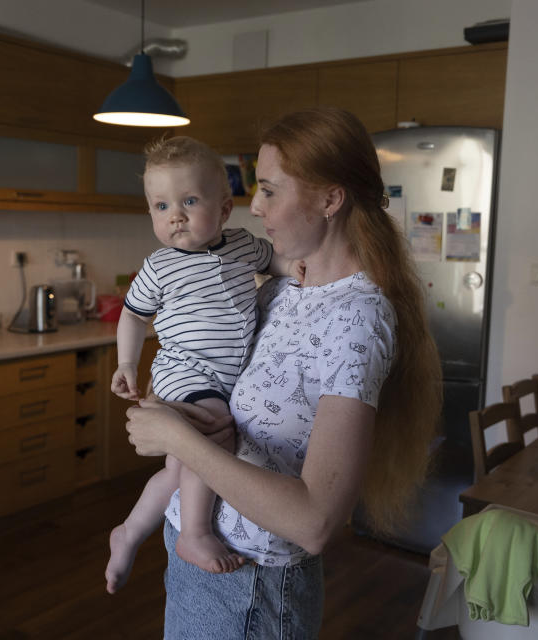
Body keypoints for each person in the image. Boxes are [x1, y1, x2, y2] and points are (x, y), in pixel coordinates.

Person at [122, 107, 443, 639]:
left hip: (252, 586)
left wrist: (181, 438)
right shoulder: (282, 288)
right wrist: (174, 405)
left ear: (330, 199)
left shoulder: (356, 320)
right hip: (200, 558)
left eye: (270, 190)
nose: (254, 205)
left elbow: (314, 522)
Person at [106, 136, 294, 595]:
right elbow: (132, 314)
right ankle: (194, 533)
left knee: (177, 469)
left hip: (223, 377)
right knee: (216, 430)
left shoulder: (244, 247)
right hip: (185, 373)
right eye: (161, 205)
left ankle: (128, 532)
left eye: (190, 200)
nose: (176, 215)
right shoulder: (159, 267)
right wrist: (127, 362)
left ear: (226, 209)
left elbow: (277, 261)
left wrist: (301, 267)